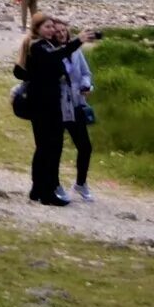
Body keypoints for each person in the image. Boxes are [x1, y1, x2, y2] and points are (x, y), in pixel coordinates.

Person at [13, 12, 85, 205]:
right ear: (37, 29)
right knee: (50, 148)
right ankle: (47, 192)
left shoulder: (44, 46)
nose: (52, 30)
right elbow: (57, 56)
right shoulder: (39, 47)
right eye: (47, 27)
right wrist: (78, 41)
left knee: (44, 148)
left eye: (53, 27)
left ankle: (37, 188)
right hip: (44, 105)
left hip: (48, 104)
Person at [61, 23, 96, 202]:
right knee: (54, 147)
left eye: (63, 32)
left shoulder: (76, 52)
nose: (60, 34)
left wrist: (86, 85)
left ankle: (80, 183)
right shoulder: (50, 52)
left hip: (76, 104)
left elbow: (86, 73)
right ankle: (52, 183)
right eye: (57, 31)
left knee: (85, 146)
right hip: (57, 105)